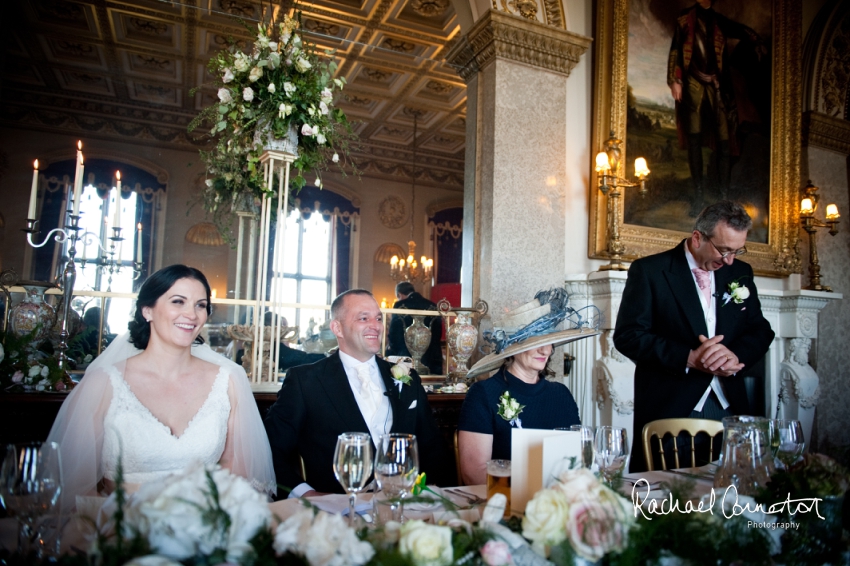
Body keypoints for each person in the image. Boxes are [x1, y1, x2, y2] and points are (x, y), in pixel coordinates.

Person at [46, 265, 276, 510]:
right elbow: (73, 486)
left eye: (200, 305)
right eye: (178, 302)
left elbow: (237, 474)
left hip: (204, 531)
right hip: (121, 533)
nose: (192, 314)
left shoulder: (228, 380)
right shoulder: (102, 383)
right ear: (147, 310)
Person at [613, 201, 774, 472]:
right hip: (671, 410)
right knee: (672, 503)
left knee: (733, 498)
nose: (730, 261)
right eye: (724, 250)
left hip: (730, 408)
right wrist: (687, 358)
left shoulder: (740, 272)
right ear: (698, 237)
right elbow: (628, 335)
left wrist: (735, 355)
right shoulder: (650, 271)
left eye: (737, 251)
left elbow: (761, 330)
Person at [264, 289, 451, 498]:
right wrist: (306, 495)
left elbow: (433, 449)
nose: (376, 326)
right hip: (336, 513)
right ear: (338, 328)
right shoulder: (305, 382)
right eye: (364, 318)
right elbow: (269, 450)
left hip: (406, 507)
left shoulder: (408, 379)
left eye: (378, 318)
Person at [457, 289, 588, 485]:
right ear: (512, 346)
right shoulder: (484, 394)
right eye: (535, 341)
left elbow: (577, 462)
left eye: (549, 341)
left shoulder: (561, 395)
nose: (546, 350)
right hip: (505, 505)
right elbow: (474, 472)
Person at [668, 0, 762, 209]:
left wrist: (754, 37)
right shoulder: (685, 18)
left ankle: (723, 197)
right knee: (694, 138)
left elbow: (740, 30)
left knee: (724, 141)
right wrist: (675, 80)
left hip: (716, 84)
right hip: (692, 82)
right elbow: (676, 49)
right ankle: (698, 194)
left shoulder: (719, 21)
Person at [386, 281, 443, 375]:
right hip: (430, 355)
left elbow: (394, 332)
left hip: (405, 354)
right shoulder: (432, 305)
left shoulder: (400, 306)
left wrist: (392, 350)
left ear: (399, 294)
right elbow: (438, 332)